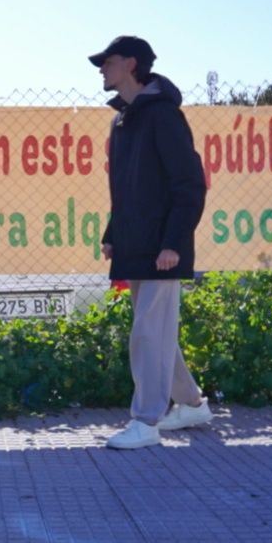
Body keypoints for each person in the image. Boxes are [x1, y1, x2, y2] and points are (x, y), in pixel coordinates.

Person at [90, 36, 210, 450]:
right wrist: (112, 235)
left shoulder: (163, 116)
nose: (101, 69)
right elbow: (128, 188)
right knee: (155, 333)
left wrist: (174, 243)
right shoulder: (124, 119)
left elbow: (189, 184)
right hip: (137, 244)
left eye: (108, 61)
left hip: (163, 249)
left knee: (147, 334)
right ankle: (192, 404)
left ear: (132, 64)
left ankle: (146, 422)